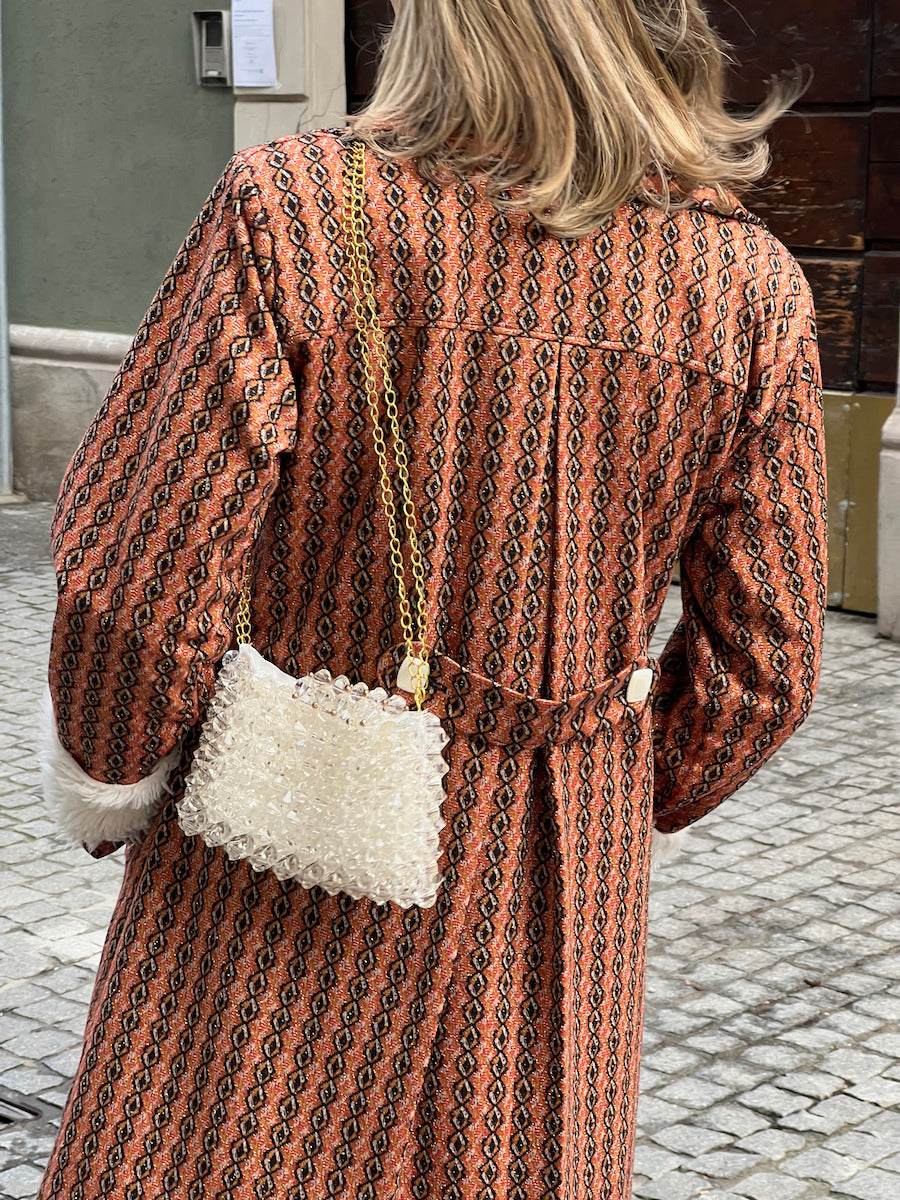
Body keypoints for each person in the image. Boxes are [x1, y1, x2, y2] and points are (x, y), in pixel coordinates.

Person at [37, 1, 826, 1197]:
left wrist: (112, 766)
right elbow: (765, 665)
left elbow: (138, 583)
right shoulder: (746, 290)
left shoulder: (296, 213)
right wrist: (593, 772)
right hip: (560, 887)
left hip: (286, 836)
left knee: (218, 1155)